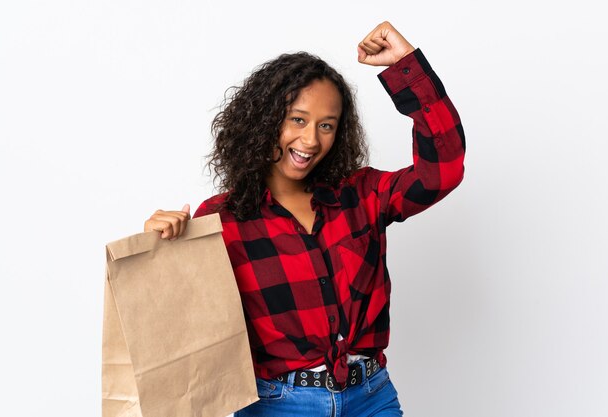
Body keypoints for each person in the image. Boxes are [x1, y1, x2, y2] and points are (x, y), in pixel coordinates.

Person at [144, 21, 465, 417]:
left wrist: (405, 68)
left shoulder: (361, 195)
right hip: (277, 405)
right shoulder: (221, 220)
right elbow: (177, 328)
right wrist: (156, 251)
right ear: (265, 121)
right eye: (297, 120)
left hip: (371, 397)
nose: (311, 140)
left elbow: (443, 171)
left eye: (326, 125)